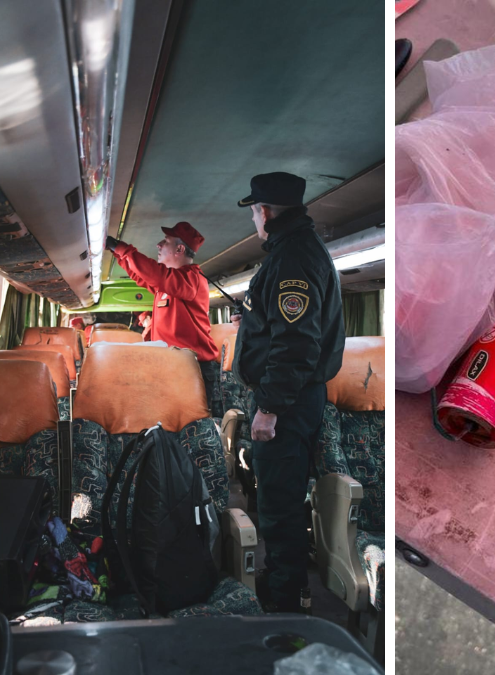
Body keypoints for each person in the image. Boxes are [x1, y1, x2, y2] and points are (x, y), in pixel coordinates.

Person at [231, 171, 345, 613]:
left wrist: (270, 408)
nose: (255, 220)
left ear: (265, 211)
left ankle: (284, 598)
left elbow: (298, 343)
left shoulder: (292, 257)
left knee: (278, 502)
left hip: (289, 401)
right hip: (299, 396)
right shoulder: (296, 249)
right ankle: (288, 581)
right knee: (283, 494)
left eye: (255, 212)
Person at [105, 221, 221, 402]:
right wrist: (117, 253)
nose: (159, 245)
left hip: (192, 369)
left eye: (166, 241)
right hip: (169, 365)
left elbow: (156, 275)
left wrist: (122, 248)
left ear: (180, 250)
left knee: (192, 427)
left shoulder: (192, 279)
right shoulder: (171, 284)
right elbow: (142, 276)